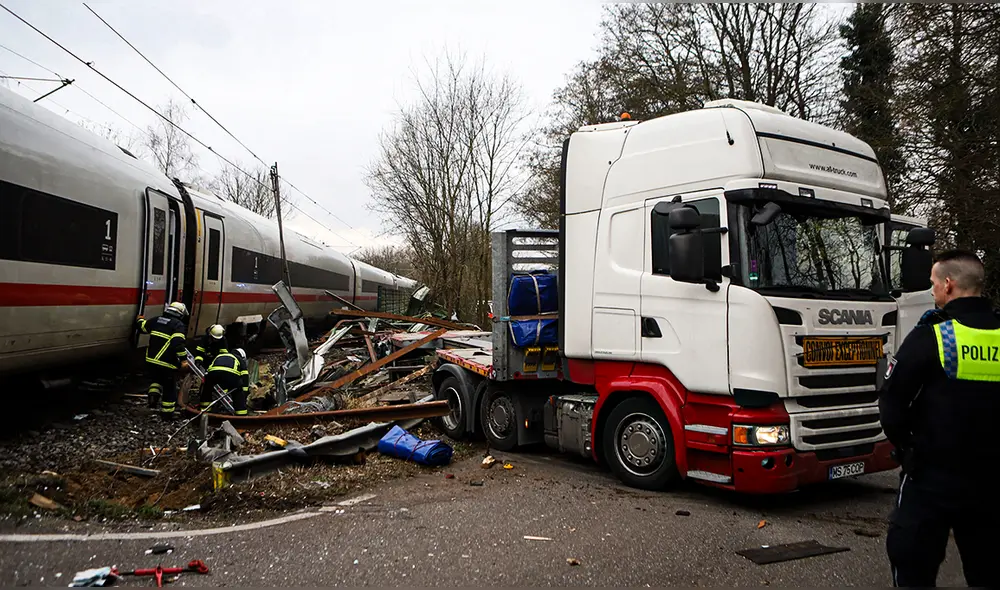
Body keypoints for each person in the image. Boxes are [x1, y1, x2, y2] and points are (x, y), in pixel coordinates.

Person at [878, 249, 1000, 587]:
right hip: (992, 482)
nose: (932, 291)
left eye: (933, 284)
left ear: (948, 285)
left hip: (932, 477)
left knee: (913, 564)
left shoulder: (934, 335)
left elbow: (892, 403)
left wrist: (907, 448)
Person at [135, 302, 190, 420]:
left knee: (156, 380)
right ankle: (167, 413)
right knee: (169, 387)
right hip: (166, 362)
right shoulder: (178, 325)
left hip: (151, 360)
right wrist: (184, 360)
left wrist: (139, 319)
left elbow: (142, 327)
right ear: (180, 314)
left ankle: (153, 397)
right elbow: (177, 343)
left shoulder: (156, 320)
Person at [202, 346, 250, 415]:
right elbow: (245, 376)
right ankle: (241, 413)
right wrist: (244, 392)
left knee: (207, 389)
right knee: (238, 392)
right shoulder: (239, 358)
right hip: (230, 375)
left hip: (213, 373)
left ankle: (205, 410)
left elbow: (210, 367)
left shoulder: (220, 355)